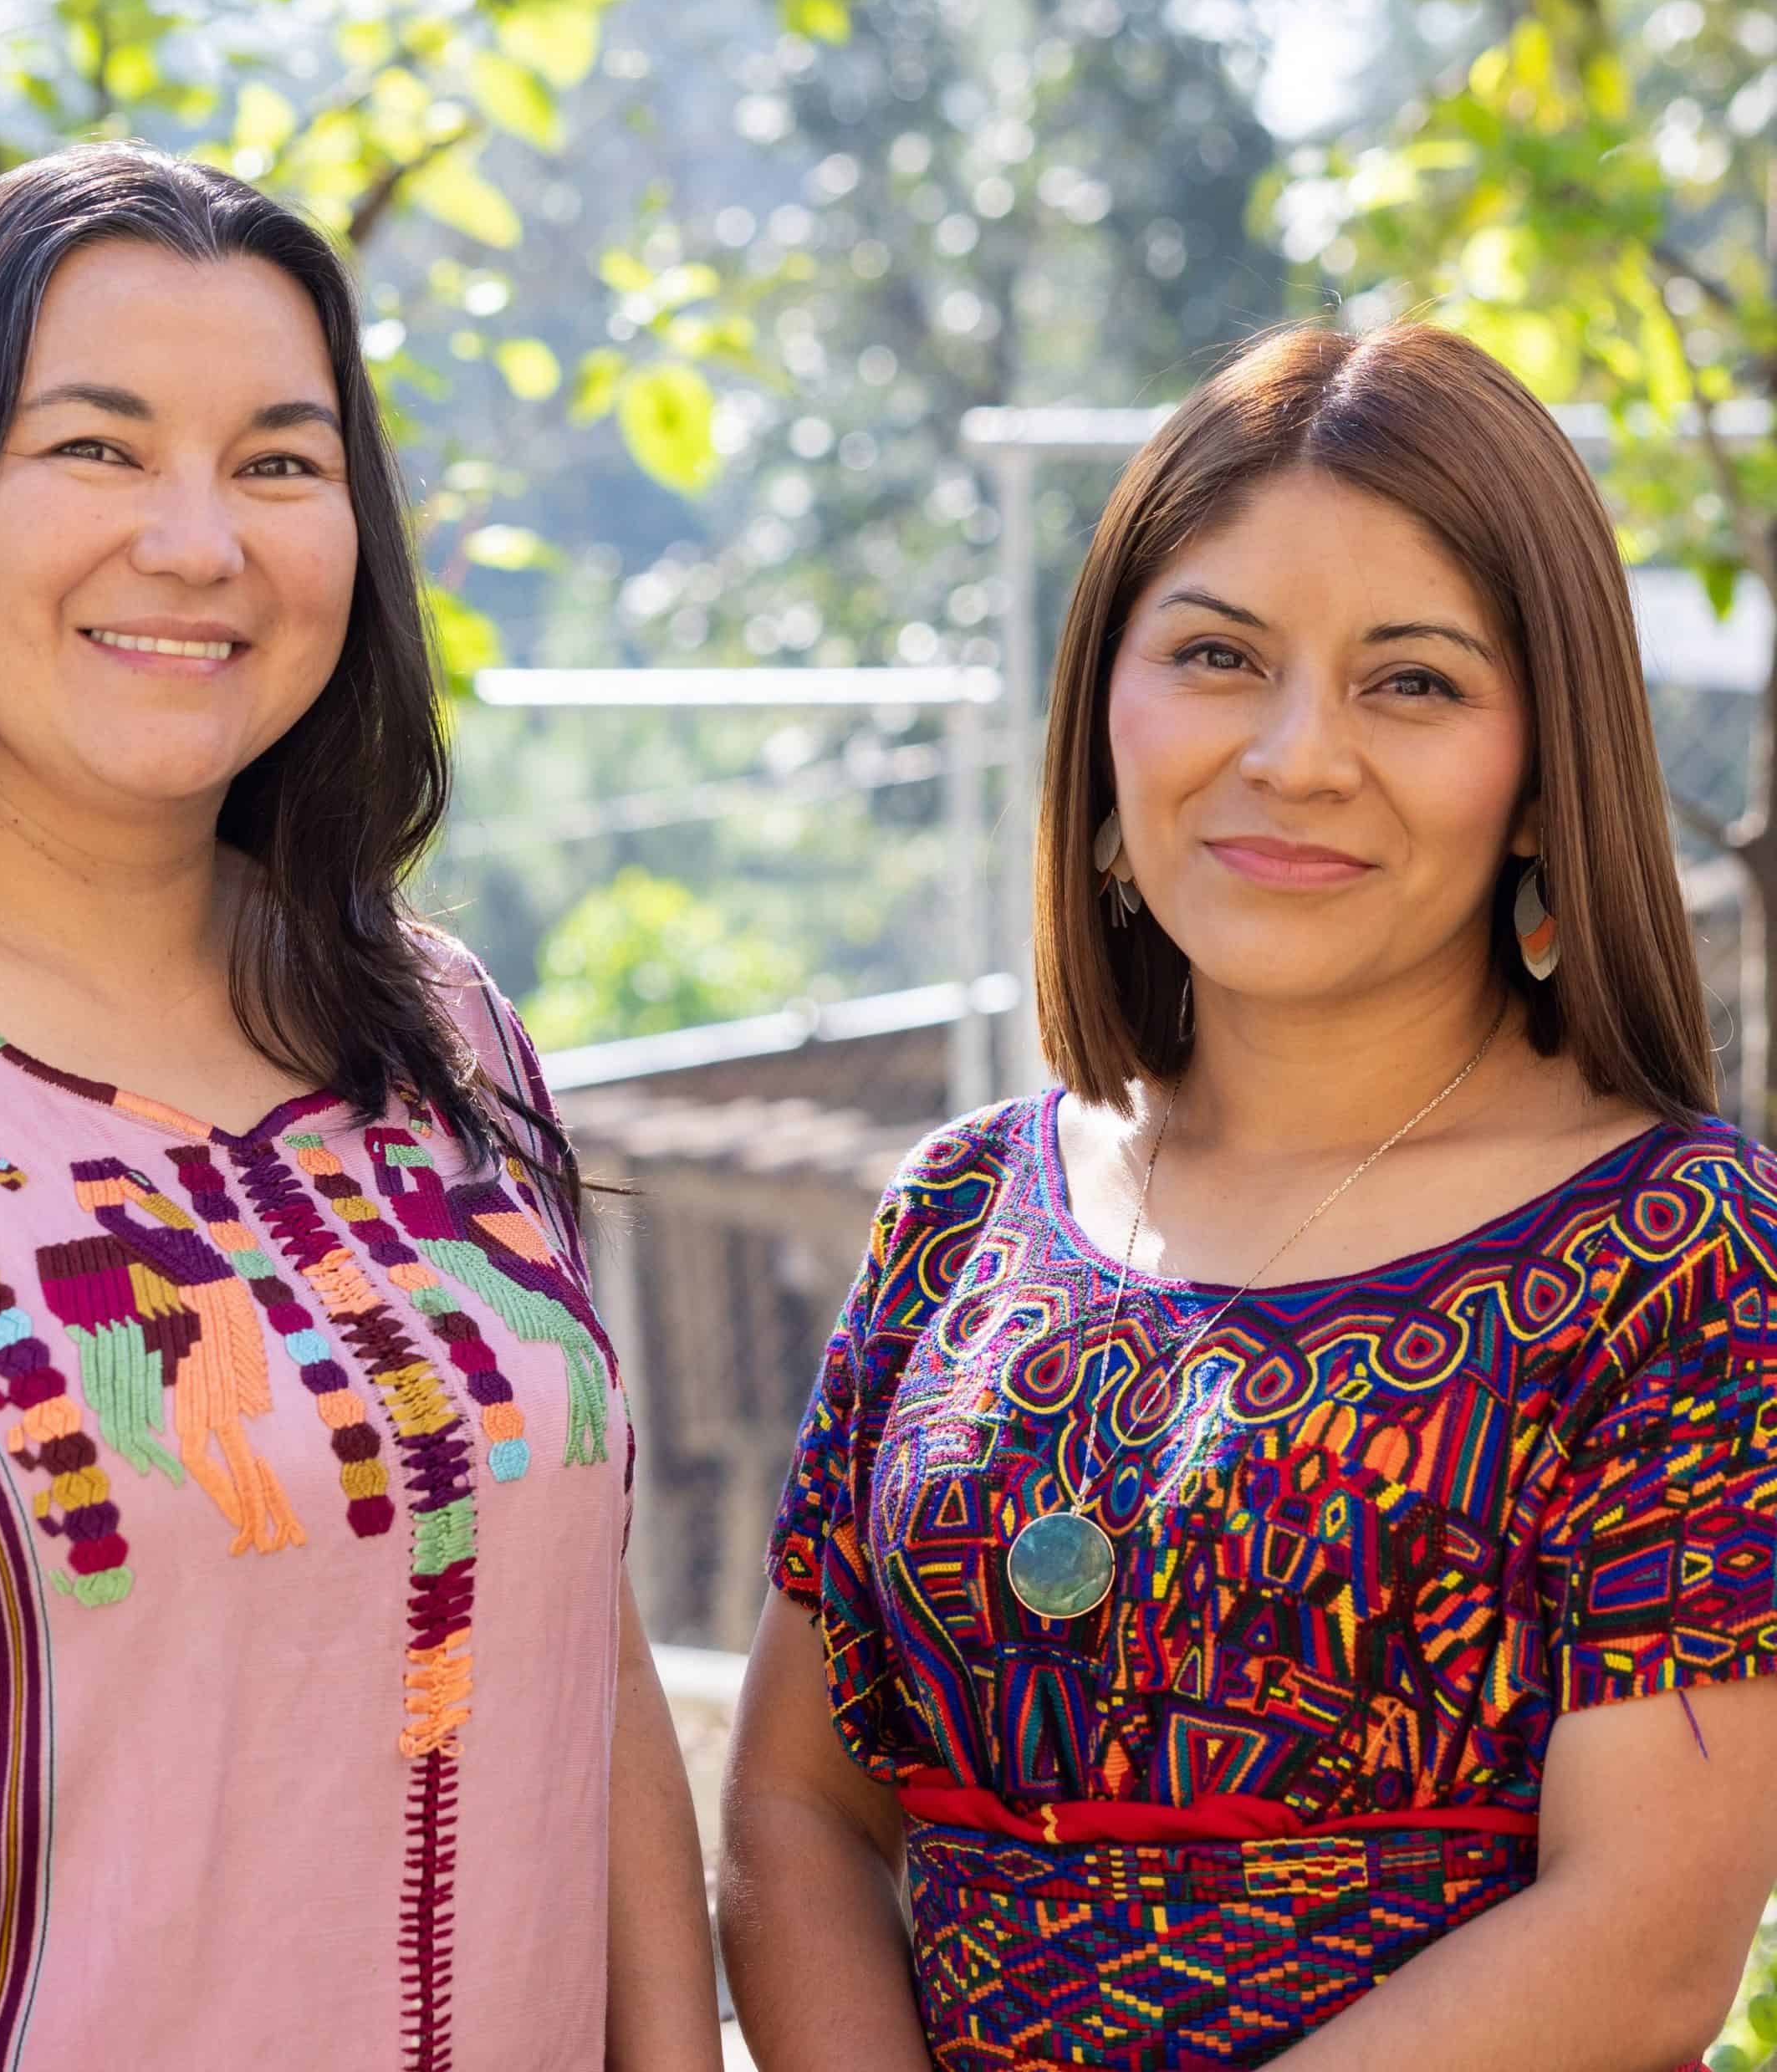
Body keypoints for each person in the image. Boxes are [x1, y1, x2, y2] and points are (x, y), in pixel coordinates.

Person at [0, 143, 721, 2072]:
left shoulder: (438, 1024)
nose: (200, 541)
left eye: (282, 464)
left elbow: (589, 1665)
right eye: (98, 447)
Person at [717, 321, 1777, 2072]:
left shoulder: (1679, 1253)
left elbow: (1644, 1940)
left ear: (1542, 771)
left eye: (1411, 680)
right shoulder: (960, 1210)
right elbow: (793, 1812)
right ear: (1102, 711)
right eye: (1217, 654)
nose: (1294, 755)